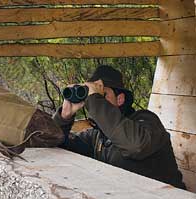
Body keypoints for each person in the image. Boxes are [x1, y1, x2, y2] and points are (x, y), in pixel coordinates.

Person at [53, 65, 186, 189]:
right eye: (91, 97)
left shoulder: (146, 121)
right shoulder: (97, 137)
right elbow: (56, 144)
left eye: (101, 95)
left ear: (120, 99)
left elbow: (135, 145)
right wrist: (64, 117)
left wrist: (95, 101)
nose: (93, 101)